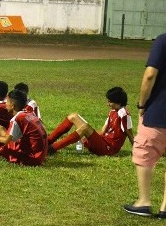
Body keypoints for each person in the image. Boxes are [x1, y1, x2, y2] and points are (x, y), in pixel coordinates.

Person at [124, 33, 166, 219]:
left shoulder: (163, 40)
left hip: (159, 110)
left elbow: (150, 75)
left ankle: (144, 202)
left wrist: (141, 104)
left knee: (144, 152)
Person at [47, 87, 133, 156]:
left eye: (110, 102)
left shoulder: (124, 114)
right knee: (73, 116)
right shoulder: (113, 112)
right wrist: (89, 138)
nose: (108, 104)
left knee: (85, 128)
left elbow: (129, 133)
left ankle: (52, 149)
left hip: (108, 148)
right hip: (103, 142)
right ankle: (47, 141)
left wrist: (137, 151)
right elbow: (103, 131)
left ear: (118, 102)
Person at [0, 89, 48, 166]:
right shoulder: (28, 113)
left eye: (7, 102)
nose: (5, 104)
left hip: (31, 158)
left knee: (6, 143)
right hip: (40, 154)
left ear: (12, 105)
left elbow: (6, 140)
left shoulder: (17, 118)